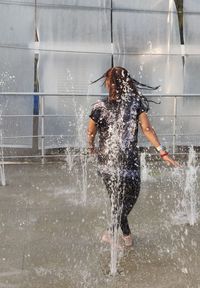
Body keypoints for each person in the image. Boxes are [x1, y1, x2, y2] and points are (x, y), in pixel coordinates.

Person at [87, 66, 179, 248]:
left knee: (117, 201)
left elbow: (91, 132)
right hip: (128, 160)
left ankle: (123, 235)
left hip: (106, 160)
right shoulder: (136, 102)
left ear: (109, 83)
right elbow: (147, 129)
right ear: (126, 82)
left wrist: (90, 147)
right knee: (130, 196)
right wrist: (163, 152)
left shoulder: (99, 106)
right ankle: (115, 234)